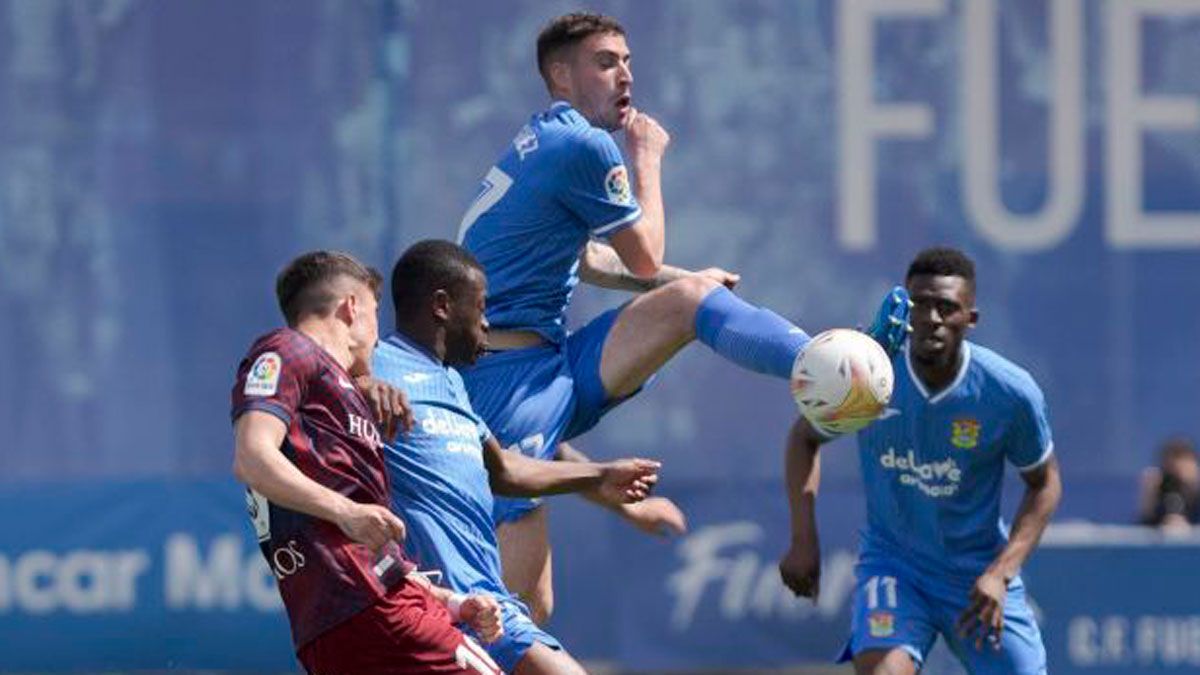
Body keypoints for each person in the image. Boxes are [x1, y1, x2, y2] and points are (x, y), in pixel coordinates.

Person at [457, 10, 911, 623]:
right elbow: (644, 256)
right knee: (524, 616)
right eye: (605, 61)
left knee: (694, 302)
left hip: (542, 364)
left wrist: (685, 282)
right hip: (504, 383)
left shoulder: (544, 140)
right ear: (560, 76)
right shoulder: (583, 143)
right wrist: (647, 157)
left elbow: (590, 261)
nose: (625, 74)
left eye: (627, 60)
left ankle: (828, 363)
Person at [371, 239, 661, 675]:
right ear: (443, 306)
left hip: (489, 607)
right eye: (480, 306)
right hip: (429, 610)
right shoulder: (376, 368)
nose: (486, 323)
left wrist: (598, 474)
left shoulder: (452, 383)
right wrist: (359, 384)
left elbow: (505, 469)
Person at [778, 247, 1062, 675]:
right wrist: (803, 539)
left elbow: (1044, 484)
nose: (931, 317)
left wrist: (1000, 574)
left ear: (970, 318)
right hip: (895, 566)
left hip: (975, 574)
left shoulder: (1009, 393)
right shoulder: (869, 376)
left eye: (946, 307)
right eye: (920, 305)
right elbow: (803, 438)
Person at [230, 250, 503, 675]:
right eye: (377, 314)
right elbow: (252, 457)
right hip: (370, 607)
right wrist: (349, 512)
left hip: (341, 620)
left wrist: (452, 602)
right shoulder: (287, 350)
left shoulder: (342, 393)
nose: (379, 335)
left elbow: (366, 542)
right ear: (351, 308)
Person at [1138, 436, 1200, 531]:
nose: (1179, 481)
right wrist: (1148, 504)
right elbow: (1142, 532)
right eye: (1173, 473)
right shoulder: (1162, 494)